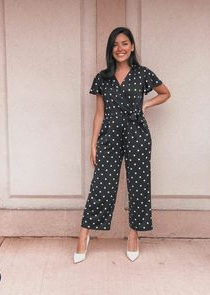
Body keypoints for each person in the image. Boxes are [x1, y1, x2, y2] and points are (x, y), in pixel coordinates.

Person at [73, 27, 171, 263]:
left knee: (138, 184)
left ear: (132, 47)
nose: (120, 48)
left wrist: (145, 106)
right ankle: (83, 234)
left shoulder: (142, 74)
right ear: (111, 49)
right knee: (102, 185)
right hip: (109, 136)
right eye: (116, 44)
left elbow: (165, 93)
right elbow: (99, 113)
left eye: (125, 43)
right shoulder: (102, 78)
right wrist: (93, 143)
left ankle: (133, 234)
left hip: (137, 134)